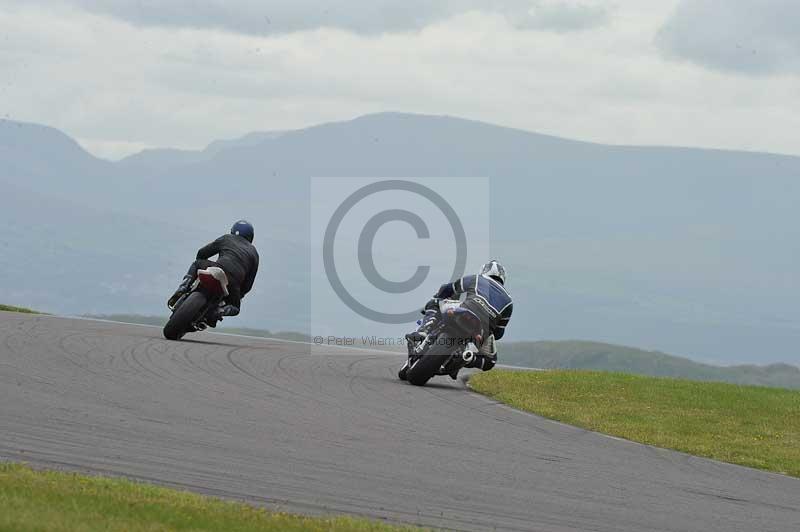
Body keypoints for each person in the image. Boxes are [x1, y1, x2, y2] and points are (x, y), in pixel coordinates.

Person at [404, 260, 513, 374]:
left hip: (465, 311)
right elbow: (499, 333)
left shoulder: (477, 279)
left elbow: (449, 288)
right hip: (482, 329)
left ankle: (424, 331)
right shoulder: (509, 301)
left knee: (435, 302)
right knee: (490, 361)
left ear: (484, 271)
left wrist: (439, 296)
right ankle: (468, 358)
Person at [167, 220, 259, 324]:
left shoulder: (227, 238)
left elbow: (202, 253)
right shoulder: (254, 253)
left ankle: (183, 287)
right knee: (235, 308)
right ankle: (220, 311)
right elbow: (248, 284)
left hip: (216, 267)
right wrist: (239, 294)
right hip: (233, 282)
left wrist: (203, 264)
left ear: (232, 231)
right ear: (251, 236)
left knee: (197, 263)